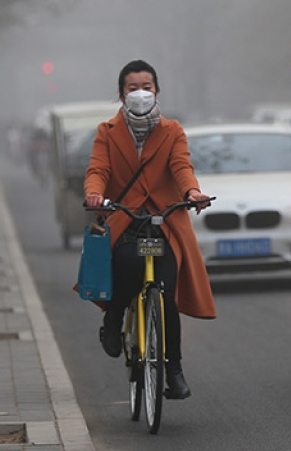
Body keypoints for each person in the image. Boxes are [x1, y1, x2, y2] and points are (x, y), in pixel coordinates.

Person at [82, 60, 216, 400]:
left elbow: (181, 166)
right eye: (132, 88)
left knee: (166, 294)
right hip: (126, 219)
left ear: (157, 90)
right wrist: (95, 193)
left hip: (164, 221)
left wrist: (192, 192)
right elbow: (98, 169)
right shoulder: (106, 132)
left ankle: (174, 370)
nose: (140, 93)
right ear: (121, 93)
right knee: (127, 265)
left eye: (147, 86)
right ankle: (114, 318)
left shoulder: (172, 131)